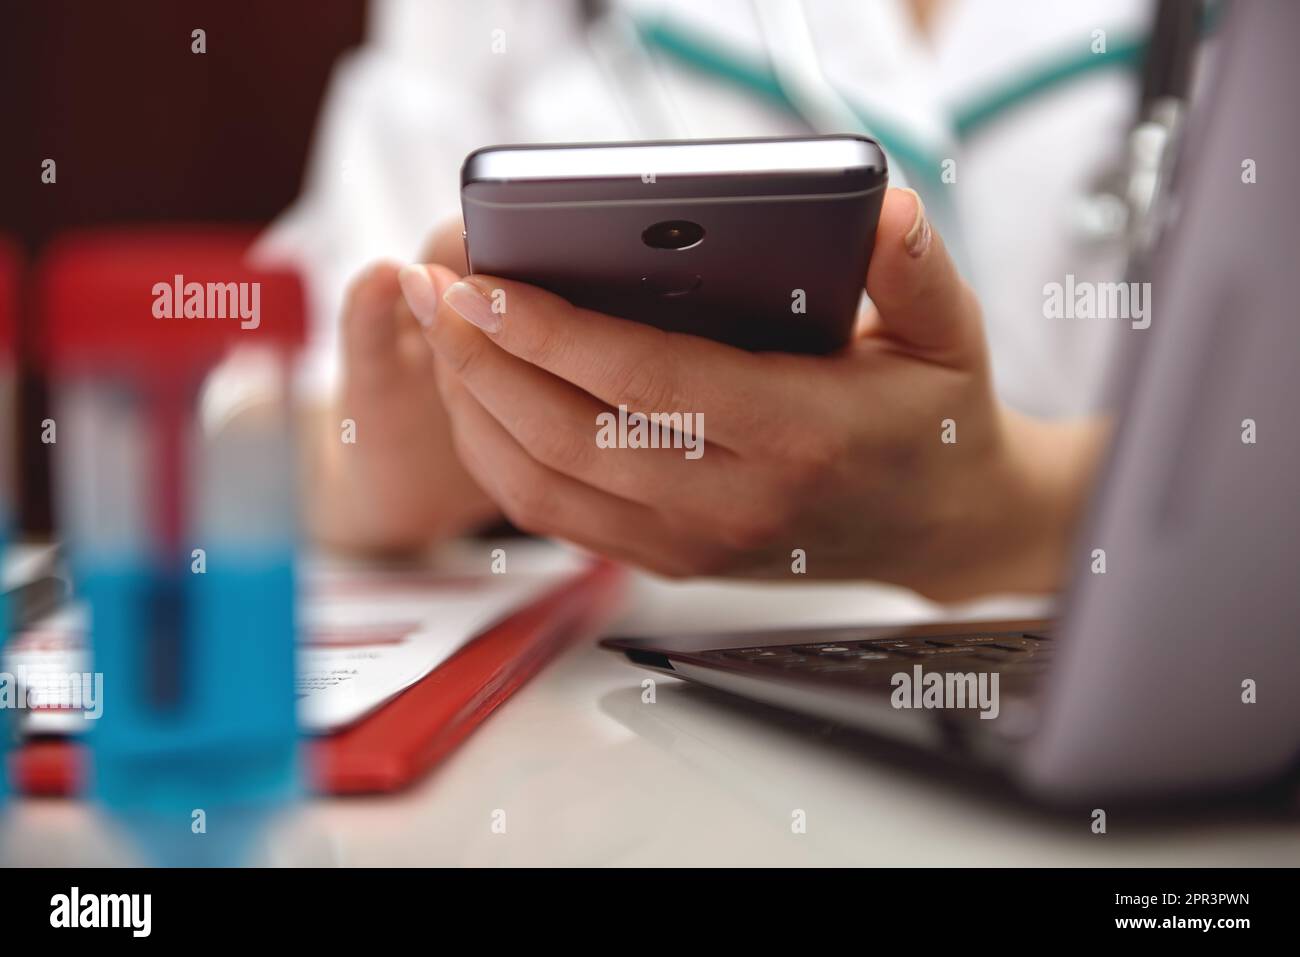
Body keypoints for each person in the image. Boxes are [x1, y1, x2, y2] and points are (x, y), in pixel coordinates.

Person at [257, 0, 1154, 599]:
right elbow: (247, 424)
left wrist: (1005, 510)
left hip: (1154, 712)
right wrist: (377, 473)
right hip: (634, 753)